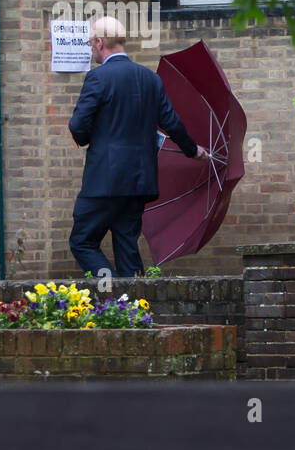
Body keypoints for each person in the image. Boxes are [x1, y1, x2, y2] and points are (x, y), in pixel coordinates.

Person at [67, 15, 208, 278]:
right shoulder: (150, 79)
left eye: (91, 44)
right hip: (138, 183)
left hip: (103, 183)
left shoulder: (97, 79)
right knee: (127, 247)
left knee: (83, 241)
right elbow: (172, 122)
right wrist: (192, 150)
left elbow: (78, 126)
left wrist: (87, 137)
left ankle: (111, 295)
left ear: (99, 42)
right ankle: (134, 309)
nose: (91, 50)